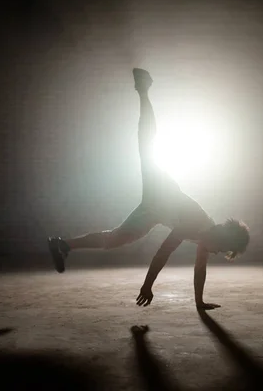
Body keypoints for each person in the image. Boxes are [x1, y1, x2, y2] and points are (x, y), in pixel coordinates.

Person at [48, 68, 250, 310]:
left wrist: (199, 302)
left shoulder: (206, 237)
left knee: (114, 240)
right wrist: (147, 285)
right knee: (148, 142)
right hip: (159, 188)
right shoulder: (195, 224)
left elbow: (200, 268)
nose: (217, 253)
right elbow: (162, 253)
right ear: (221, 236)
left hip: (152, 212)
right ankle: (143, 88)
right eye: (222, 249)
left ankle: (63, 244)